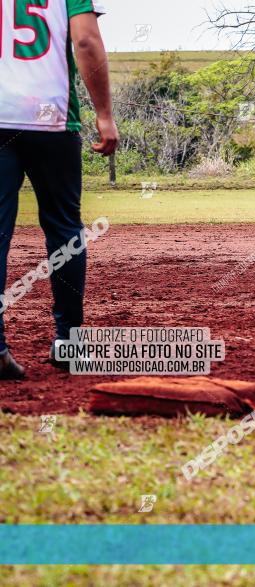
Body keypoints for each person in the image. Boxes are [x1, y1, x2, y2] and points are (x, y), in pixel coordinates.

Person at [0, 1, 118, 379]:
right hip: (51, 118)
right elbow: (86, 41)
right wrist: (104, 114)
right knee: (65, 228)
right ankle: (70, 342)